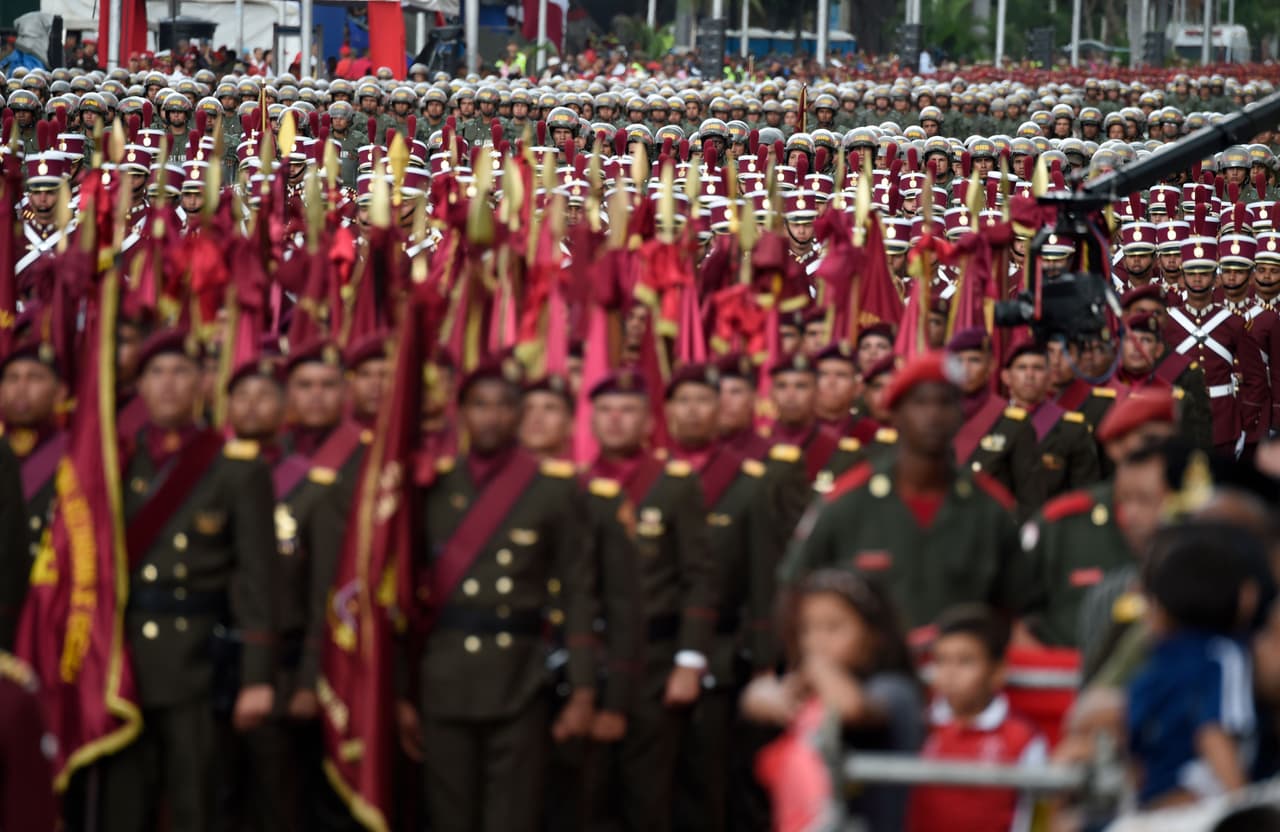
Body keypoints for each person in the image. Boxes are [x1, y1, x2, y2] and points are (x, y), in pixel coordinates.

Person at [400, 358, 597, 832]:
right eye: (479, 405)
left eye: (505, 406)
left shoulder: (554, 489)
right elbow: (404, 595)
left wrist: (585, 689)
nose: (491, 416)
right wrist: (400, 691)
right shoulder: (431, 484)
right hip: (444, 677)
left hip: (520, 679)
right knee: (449, 816)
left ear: (519, 414)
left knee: (513, 817)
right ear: (461, 412)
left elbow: (578, 592)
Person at [93, 328, 278, 831]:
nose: (169, 384)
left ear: (202, 384)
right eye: (157, 372)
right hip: (124, 663)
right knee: (123, 807)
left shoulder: (236, 469)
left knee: (196, 804)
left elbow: (259, 577)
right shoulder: (116, 461)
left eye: (181, 372)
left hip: (197, 662)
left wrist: (257, 678)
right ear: (141, 385)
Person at [783, 351, 1032, 635]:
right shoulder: (848, 500)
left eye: (945, 403)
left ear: (960, 415)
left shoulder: (989, 507)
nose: (933, 415)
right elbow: (794, 588)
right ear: (896, 414)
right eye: (920, 403)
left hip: (958, 671)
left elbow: (1020, 610)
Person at [582, 367, 715, 832]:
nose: (616, 420)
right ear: (592, 420)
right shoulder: (574, 484)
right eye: (605, 411)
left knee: (647, 793)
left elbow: (698, 576)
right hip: (589, 658)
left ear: (647, 422)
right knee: (585, 793)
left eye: (628, 411)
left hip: (654, 659)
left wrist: (690, 659)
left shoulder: (674, 483)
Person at [744, 569, 924, 832]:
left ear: (875, 634)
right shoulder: (817, 687)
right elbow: (755, 698)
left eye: (833, 627)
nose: (817, 641)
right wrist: (780, 693)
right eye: (807, 628)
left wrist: (816, 667)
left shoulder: (893, 689)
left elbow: (852, 707)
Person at [1128, 521, 1262, 807]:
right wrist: (1244, 807)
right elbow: (1213, 734)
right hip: (1202, 803)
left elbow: (1136, 746)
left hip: (1153, 803)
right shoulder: (1225, 656)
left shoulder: (1156, 662)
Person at [907, 605, 1046, 832]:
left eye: (965, 661)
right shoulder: (918, 725)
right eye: (941, 660)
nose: (949, 673)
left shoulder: (1023, 738)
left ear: (998, 672)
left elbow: (1032, 815)